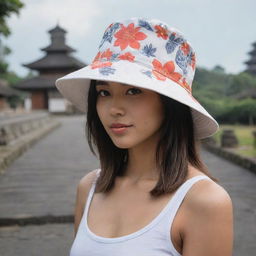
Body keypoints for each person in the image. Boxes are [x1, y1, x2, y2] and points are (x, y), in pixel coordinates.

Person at [55, 17, 233, 256]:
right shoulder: (90, 187)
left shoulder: (203, 201)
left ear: (170, 104)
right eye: (104, 92)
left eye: (133, 91)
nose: (114, 108)